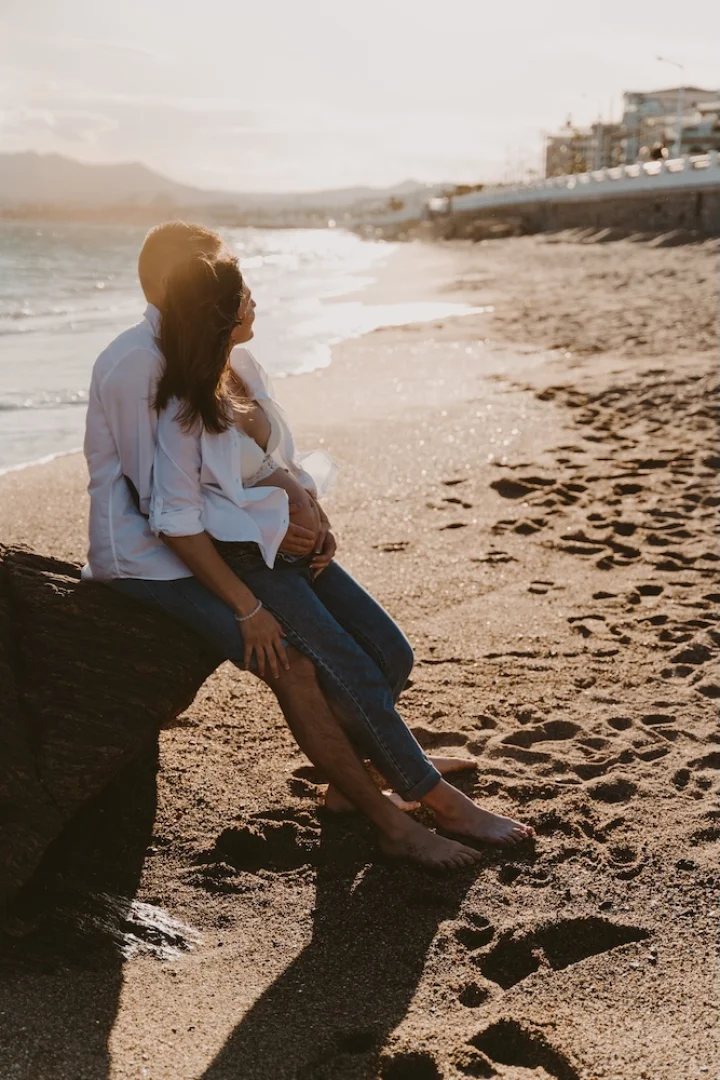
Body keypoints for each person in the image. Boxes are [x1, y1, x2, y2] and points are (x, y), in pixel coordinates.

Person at [83, 222, 533, 870]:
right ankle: (409, 807)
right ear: (200, 291)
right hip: (158, 557)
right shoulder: (140, 367)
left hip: (249, 534)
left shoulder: (230, 358)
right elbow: (164, 505)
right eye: (227, 278)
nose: (246, 290)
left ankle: (361, 773)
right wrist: (247, 602)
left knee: (388, 655)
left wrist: (303, 508)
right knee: (301, 665)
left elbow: (260, 461)